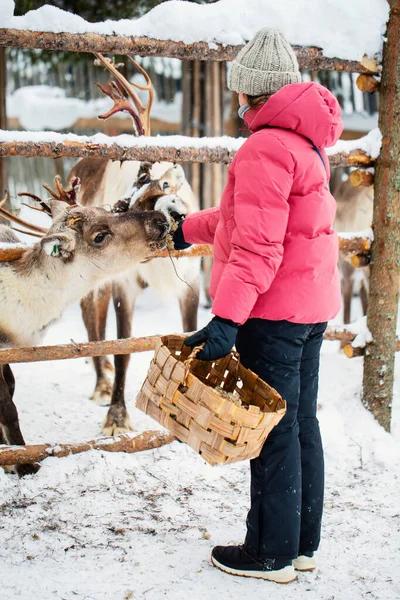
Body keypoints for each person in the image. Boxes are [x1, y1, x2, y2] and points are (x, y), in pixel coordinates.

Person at [173, 27, 343, 584]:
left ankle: (269, 553)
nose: (235, 102)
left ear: (251, 92)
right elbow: (248, 220)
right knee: (299, 425)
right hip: (310, 307)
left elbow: (257, 246)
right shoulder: (303, 144)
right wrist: (186, 230)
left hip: (272, 314)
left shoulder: (265, 146)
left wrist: (227, 317)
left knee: (272, 430)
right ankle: (300, 544)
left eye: (238, 92)